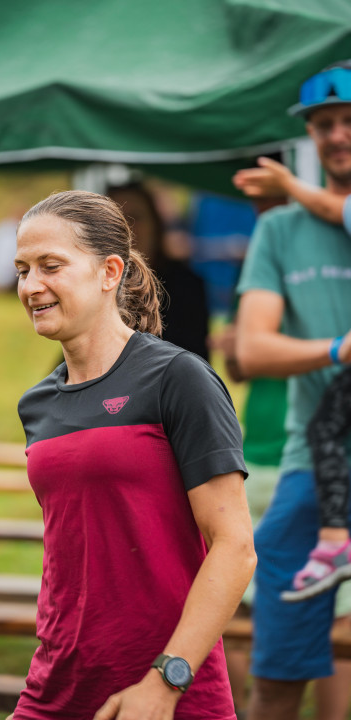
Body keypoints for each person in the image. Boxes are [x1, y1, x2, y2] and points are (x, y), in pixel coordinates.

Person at [7, 189, 256, 720]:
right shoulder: (37, 404)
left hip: (166, 692)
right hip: (57, 685)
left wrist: (165, 681)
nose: (31, 286)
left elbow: (235, 547)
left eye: (51, 266)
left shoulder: (178, 378)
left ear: (110, 272)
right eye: (22, 270)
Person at [234, 60, 351, 720]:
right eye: (323, 123)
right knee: (277, 674)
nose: (337, 135)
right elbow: (252, 348)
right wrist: (336, 350)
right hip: (314, 466)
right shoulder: (280, 230)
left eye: (349, 120)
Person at [235, 155, 351, 603]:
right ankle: (334, 541)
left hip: (287, 453)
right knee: (324, 428)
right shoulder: (279, 235)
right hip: (280, 452)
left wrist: (289, 184)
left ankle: (334, 542)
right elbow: (247, 357)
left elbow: (334, 207)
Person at [107, 182, 210, 359]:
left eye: (135, 217)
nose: (127, 228)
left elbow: (189, 359)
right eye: (117, 219)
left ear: (155, 225)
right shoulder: (95, 285)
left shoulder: (185, 286)